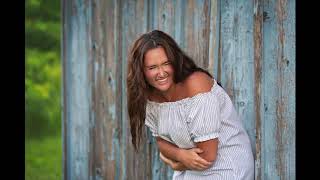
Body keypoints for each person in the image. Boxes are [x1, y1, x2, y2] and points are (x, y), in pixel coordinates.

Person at [127, 30, 254, 179]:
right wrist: (180, 154)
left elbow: (206, 157)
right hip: (190, 167)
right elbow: (162, 143)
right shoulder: (150, 96)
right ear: (140, 71)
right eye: (152, 67)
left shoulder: (197, 86)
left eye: (166, 63)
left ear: (175, 61)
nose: (161, 73)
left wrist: (177, 163)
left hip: (225, 166)